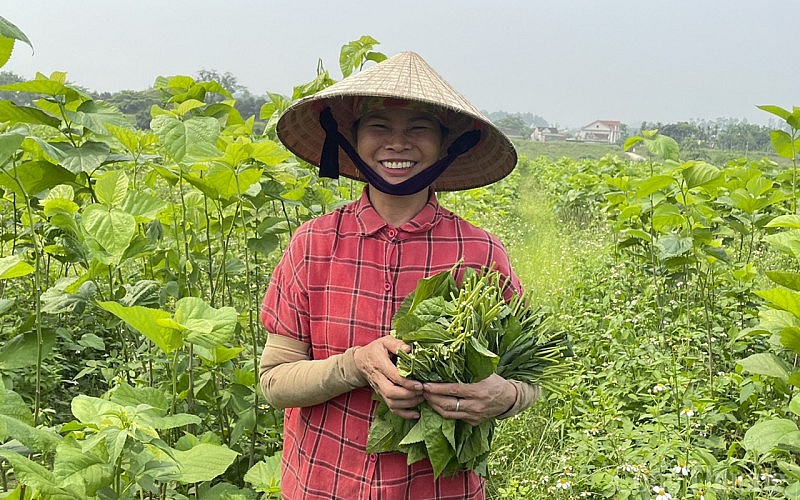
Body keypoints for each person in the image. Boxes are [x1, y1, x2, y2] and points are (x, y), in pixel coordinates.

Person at [259, 51, 539, 499]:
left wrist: (503, 397)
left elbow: (526, 379)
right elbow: (275, 380)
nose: (398, 143)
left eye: (419, 129)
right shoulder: (313, 244)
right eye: (380, 127)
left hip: (439, 489)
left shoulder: (480, 252)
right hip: (323, 484)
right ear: (350, 138)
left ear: (449, 145)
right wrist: (355, 365)